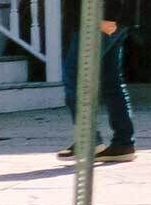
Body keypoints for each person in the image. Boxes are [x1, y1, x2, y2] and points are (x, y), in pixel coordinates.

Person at [57, 11, 135, 163]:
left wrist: (107, 16)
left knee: (75, 76)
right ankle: (123, 144)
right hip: (110, 19)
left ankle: (90, 140)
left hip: (97, 19)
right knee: (111, 81)